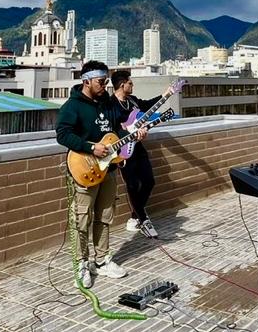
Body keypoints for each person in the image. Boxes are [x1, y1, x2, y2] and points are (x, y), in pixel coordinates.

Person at [55, 61, 145, 288]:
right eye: (100, 82)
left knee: (104, 216)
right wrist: (89, 147)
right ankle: (81, 263)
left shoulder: (107, 103)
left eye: (106, 81)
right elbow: (63, 134)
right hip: (84, 168)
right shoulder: (72, 106)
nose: (104, 86)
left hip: (109, 169)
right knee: (82, 218)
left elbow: (117, 130)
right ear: (86, 81)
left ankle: (103, 260)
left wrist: (133, 134)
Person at [109, 69, 172, 239]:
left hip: (138, 146)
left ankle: (135, 216)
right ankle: (143, 220)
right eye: (130, 83)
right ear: (122, 85)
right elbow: (111, 129)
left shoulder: (133, 101)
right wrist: (126, 134)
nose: (132, 85)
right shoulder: (110, 104)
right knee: (132, 185)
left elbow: (147, 105)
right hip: (123, 150)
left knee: (149, 181)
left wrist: (165, 95)